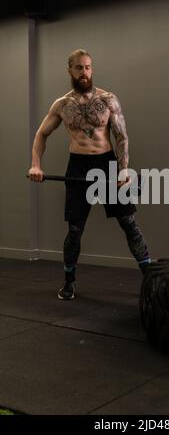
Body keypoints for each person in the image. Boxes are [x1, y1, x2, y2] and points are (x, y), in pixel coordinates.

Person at [28, 49, 151, 300]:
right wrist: (36, 165)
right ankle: (69, 282)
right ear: (70, 70)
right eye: (79, 68)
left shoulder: (108, 100)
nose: (84, 73)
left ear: (91, 69)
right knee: (75, 229)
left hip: (107, 164)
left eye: (88, 67)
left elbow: (121, 137)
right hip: (78, 166)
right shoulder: (61, 105)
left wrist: (124, 169)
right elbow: (41, 134)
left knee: (129, 223)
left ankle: (151, 280)